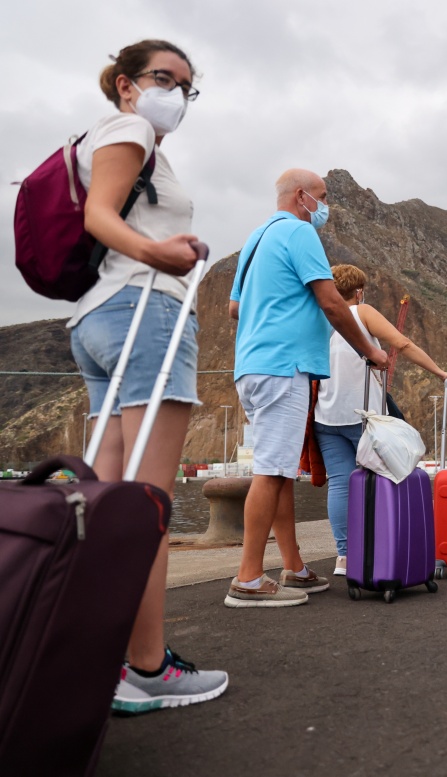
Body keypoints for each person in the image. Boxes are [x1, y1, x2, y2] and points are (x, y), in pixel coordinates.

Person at [67, 39, 228, 713]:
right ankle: (147, 668)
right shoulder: (129, 127)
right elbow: (98, 216)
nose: (175, 95)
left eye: (186, 87)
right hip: (145, 313)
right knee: (148, 507)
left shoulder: (112, 138)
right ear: (127, 85)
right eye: (163, 78)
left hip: (96, 322)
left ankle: (92, 657)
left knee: (102, 505)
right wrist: (160, 253)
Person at [225, 170, 390, 608]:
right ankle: (248, 578)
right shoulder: (299, 234)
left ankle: (294, 567)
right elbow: (332, 301)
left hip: (253, 367)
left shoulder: (255, 240)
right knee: (273, 472)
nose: (325, 205)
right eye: (322, 196)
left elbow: (234, 308)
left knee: (278, 469)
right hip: (285, 367)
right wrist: (369, 352)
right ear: (302, 197)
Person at [313, 265, 447, 577]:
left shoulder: (320, 317)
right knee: (391, 475)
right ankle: (390, 547)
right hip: (364, 416)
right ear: (359, 291)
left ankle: (344, 557)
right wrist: (441, 373)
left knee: (340, 484)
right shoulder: (362, 312)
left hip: (325, 415)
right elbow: (401, 344)